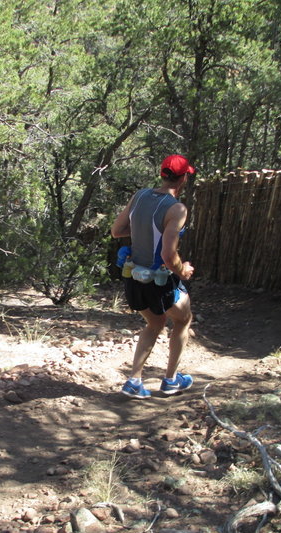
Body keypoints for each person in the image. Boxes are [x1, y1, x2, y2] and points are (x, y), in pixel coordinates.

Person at [110, 154, 196, 398]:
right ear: (184, 177)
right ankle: (170, 381)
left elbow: (117, 231)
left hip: (133, 276)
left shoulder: (140, 196)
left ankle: (134, 382)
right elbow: (169, 256)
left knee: (156, 323)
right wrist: (183, 270)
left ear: (162, 174)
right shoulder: (177, 209)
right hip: (159, 280)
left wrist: (142, 232)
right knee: (183, 320)